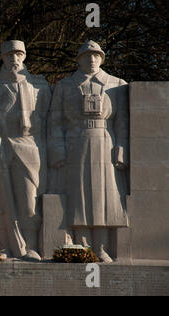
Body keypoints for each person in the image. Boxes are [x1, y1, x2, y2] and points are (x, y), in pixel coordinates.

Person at [47, 40, 129, 262]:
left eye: (96, 55)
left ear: (102, 58)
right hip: (76, 142)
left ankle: (101, 247)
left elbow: (122, 121)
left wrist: (121, 149)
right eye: (87, 56)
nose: (92, 59)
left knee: (104, 196)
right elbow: (55, 121)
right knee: (79, 195)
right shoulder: (65, 86)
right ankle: (82, 245)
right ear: (79, 59)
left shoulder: (116, 84)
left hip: (105, 142)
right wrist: (58, 150)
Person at [0, 40, 51, 260]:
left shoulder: (39, 84)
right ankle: (1, 245)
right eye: (9, 55)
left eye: (18, 54)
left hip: (28, 143)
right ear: (2, 57)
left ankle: (29, 245)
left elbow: (50, 119)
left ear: (24, 56)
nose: (14, 59)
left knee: (29, 198)